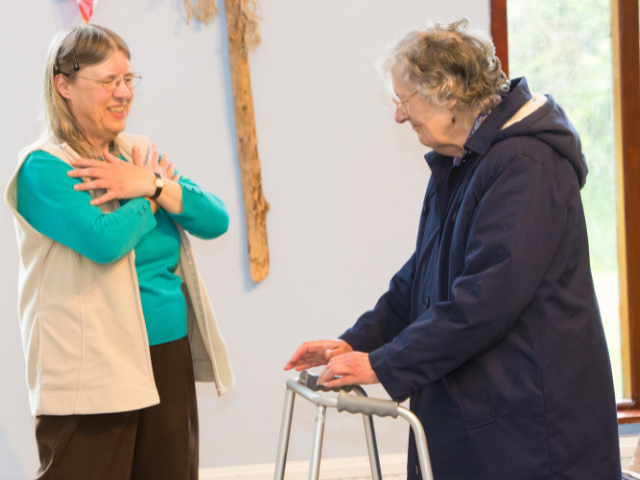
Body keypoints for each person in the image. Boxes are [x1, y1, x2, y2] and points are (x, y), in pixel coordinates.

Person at [285, 18, 621, 480]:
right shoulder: (463, 160)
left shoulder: (525, 164)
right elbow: (422, 277)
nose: (400, 115)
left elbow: (484, 301)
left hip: (529, 427)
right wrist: (357, 343)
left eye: (405, 100)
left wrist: (383, 363)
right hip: (482, 417)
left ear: (448, 95)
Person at [4, 24, 235, 480]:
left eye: (128, 80)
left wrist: (148, 182)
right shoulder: (43, 167)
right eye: (108, 81)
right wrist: (149, 194)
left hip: (165, 348)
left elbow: (215, 219)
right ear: (63, 84)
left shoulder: (138, 152)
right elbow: (104, 241)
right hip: (92, 363)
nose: (123, 93)